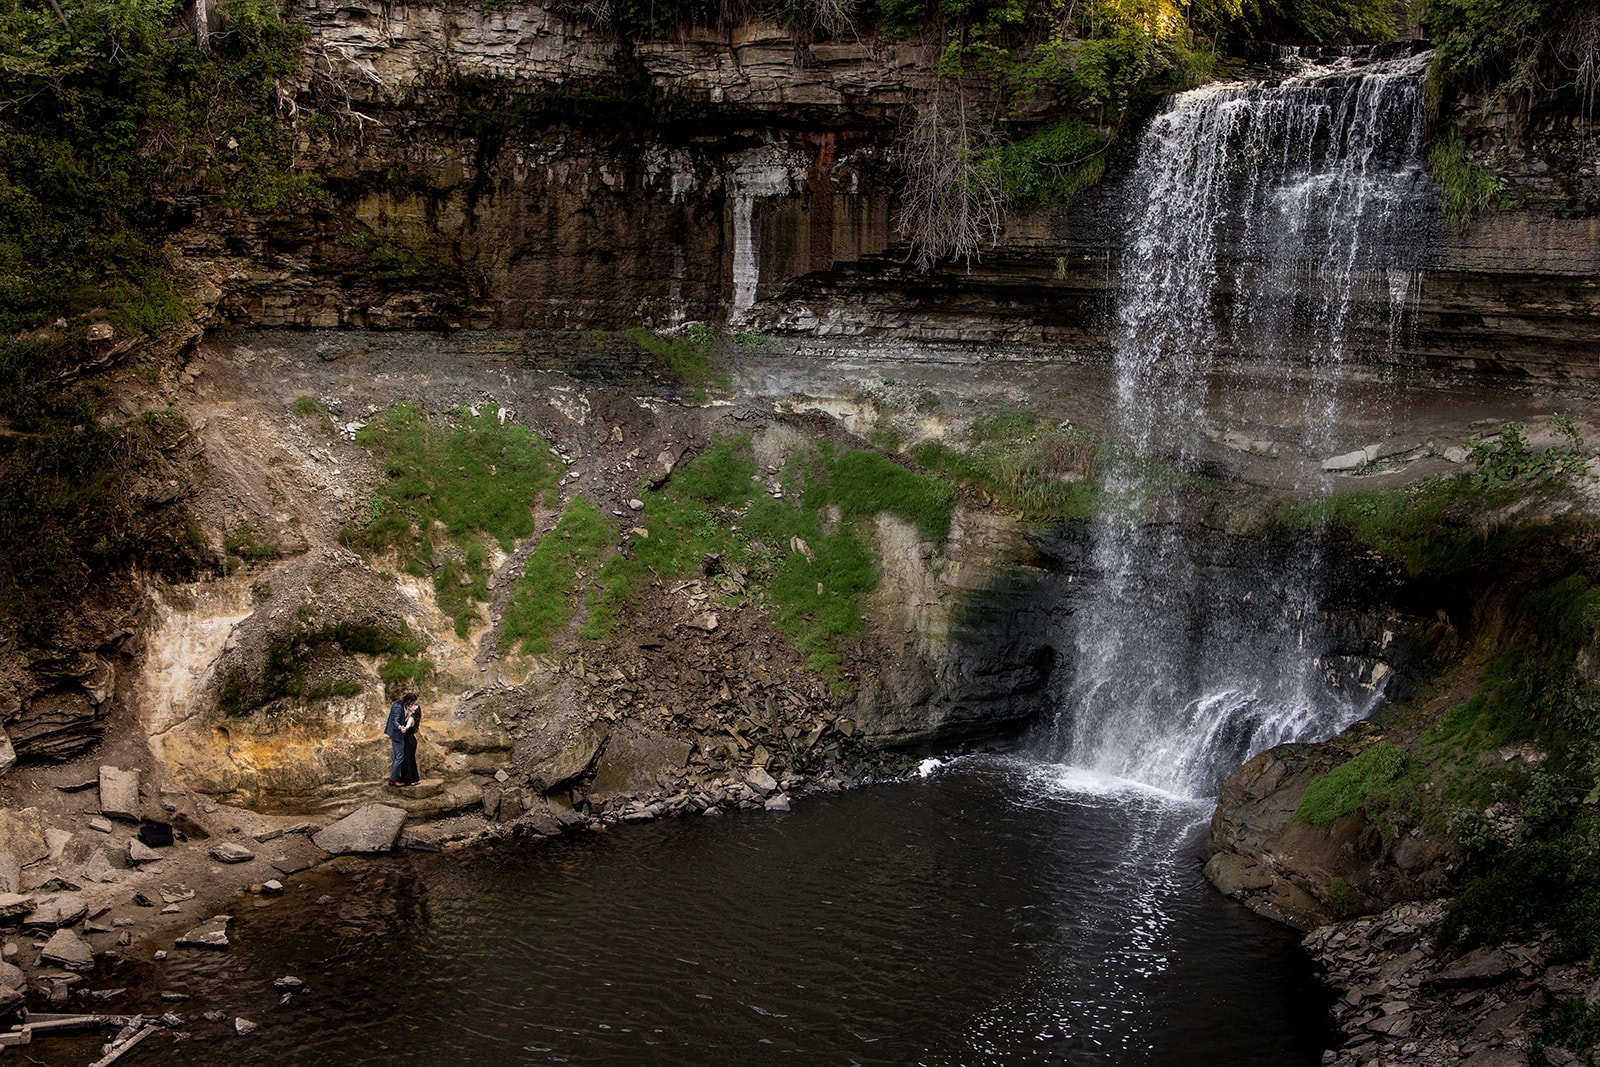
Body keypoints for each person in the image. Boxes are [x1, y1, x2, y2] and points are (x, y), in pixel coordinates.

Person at [385, 693, 418, 787]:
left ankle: (395, 776)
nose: (413, 704)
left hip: (396, 733)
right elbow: (395, 720)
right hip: (397, 734)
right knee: (399, 756)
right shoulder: (398, 707)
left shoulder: (400, 705)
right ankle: (393, 779)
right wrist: (400, 727)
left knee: (396, 756)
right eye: (412, 702)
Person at [397, 695, 422, 787]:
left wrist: (402, 728)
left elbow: (407, 727)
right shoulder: (408, 716)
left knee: (409, 759)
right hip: (408, 740)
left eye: (414, 706)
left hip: (409, 740)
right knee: (408, 759)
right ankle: (410, 778)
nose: (412, 706)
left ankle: (411, 779)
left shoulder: (412, 718)